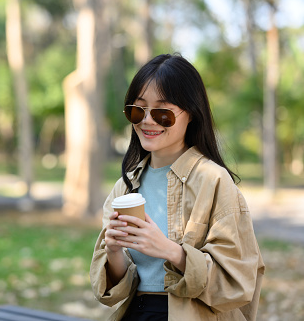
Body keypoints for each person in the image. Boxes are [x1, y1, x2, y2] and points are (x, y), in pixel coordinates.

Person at [90, 53, 265, 321]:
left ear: (191, 114)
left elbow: (237, 284)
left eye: (163, 112)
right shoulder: (124, 188)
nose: (147, 121)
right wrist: (113, 250)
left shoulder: (214, 180)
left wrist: (170, 251)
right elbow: (113, 291)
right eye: (137, 110)